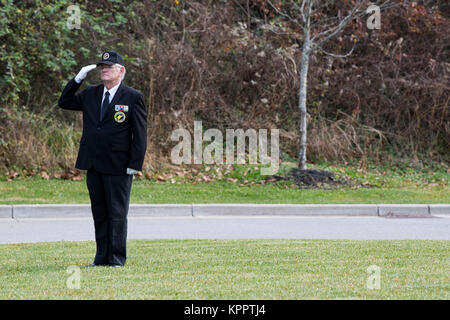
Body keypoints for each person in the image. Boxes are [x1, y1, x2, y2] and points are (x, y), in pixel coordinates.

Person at [58, 51, 147, 267]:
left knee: (116, 213)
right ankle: (101, 258)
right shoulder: (91, 93)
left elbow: (140, 134)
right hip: (94, 162)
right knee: (99, 212)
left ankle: (116, 258)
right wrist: (77, 79)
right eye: (102, 67)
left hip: (118, 165)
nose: (104, 70)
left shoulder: (132, 96)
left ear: (121, 71)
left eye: (109, 66)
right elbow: (65, 102)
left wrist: (135, 164)